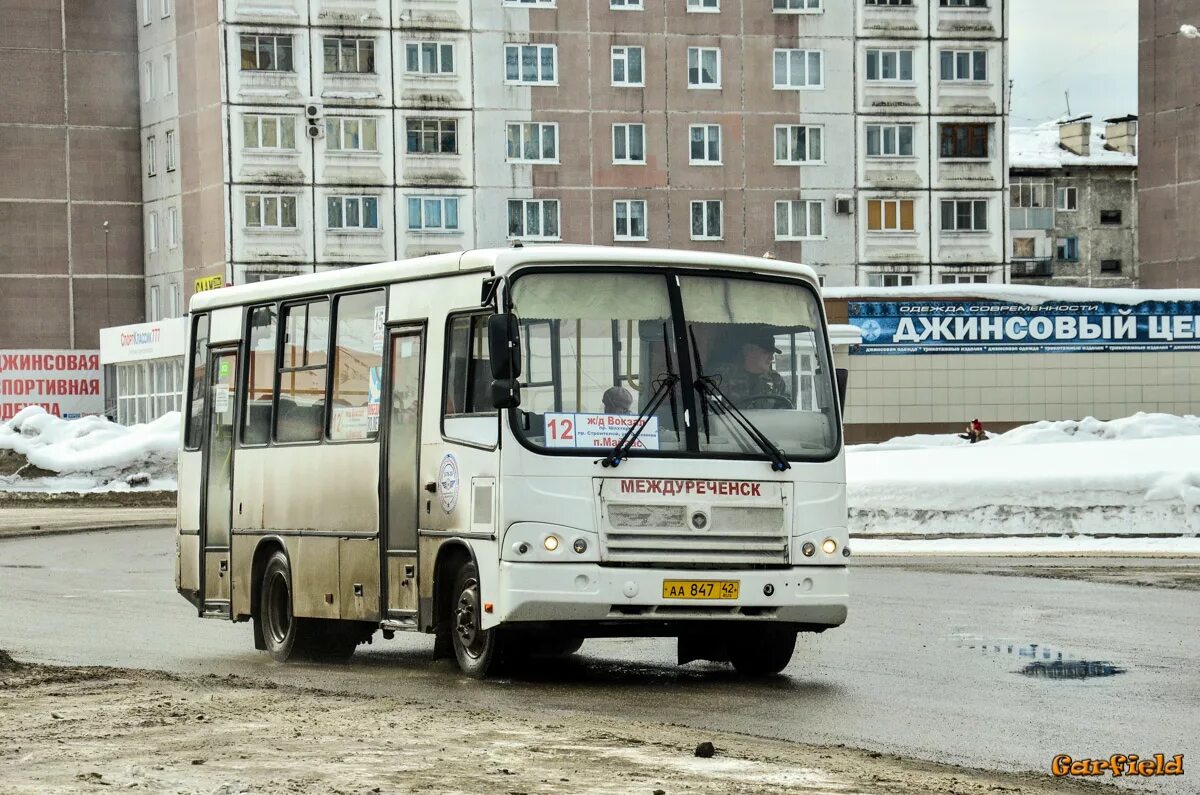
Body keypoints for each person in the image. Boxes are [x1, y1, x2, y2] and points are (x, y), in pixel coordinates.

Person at [718, 330, 789, 408]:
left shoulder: (776, 380)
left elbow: (786, 410)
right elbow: (713, 410)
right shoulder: (723, 376)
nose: (771, 358)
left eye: (772, 354)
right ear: (748, 350)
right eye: (766, 352)